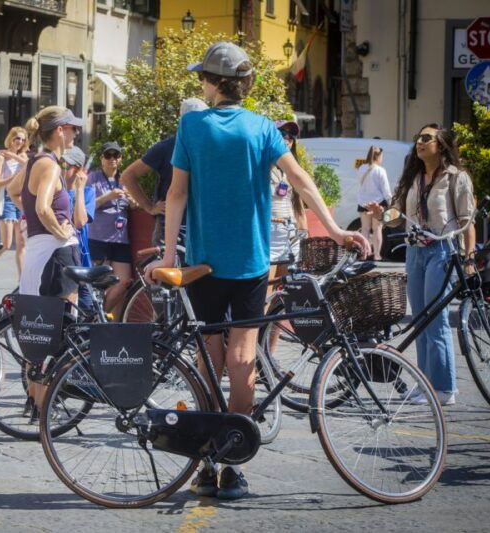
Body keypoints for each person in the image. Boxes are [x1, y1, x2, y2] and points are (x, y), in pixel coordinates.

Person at [144, 41, 370, 500]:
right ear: (243, 85)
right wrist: (335, 229)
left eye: (202, 78)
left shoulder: (192, 126)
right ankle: (231, 462)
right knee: (243, 357)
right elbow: (301, 182)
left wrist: (169, 258)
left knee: (209, 355)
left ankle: (205, 460)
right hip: (251, 260)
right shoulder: (263, 128)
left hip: (203, 262)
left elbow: (177, 196)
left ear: (211, 82)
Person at [389, 124, 475, 406]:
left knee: (435, 320)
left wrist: (470, 257)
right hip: (415, 252)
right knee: (420, 320)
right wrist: (382, 214)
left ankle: (445, 387)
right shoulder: (413, 178)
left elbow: (466, 221)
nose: (420, 142)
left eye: (427, 138)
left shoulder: (455, 178)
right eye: (418, 137)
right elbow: (397, 217)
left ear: (442, 145)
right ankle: (425, 383)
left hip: (441, 250)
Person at [122, 97, 209, 245]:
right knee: (167, 266)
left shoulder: (209, 147)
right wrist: (149, 207)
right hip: (171, 227)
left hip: (201, 225)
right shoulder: (167, 147)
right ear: (184, 121)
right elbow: (128, 176)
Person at [19, 106, 82, 299]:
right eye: (73, 127)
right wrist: (60, 232)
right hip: (57, 251)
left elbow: (13, 191)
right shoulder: (50, 166)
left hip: (37, 251)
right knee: (67, 322)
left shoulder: (35, 161)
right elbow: (43, 208)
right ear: (60, 130)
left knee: (38, 324)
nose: (77, 132)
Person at [87, 142, 134, 317]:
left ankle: (104, 319)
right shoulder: (94, 177)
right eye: (108, 156)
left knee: (123, 283)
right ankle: (95, 319)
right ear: (102, 159)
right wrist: (110, 196)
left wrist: (132, 199)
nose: (112, 159)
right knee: (99, 285)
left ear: (120, 159)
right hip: (99, 237)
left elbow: (134, 205)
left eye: (116, 155)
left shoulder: (125, 179)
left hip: (121, 239)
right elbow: (89, 205)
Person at [268, 120, 308, 275]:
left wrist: (304, 231)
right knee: (268, 284)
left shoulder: (292, 170)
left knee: (287, 284)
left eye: (291, 137)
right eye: (282, 134)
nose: (287, 139)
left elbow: (298, 202)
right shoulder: (262, 165)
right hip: (270, 230)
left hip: (291, 231)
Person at [0, 127, 29, 274]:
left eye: (23, 139)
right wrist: (13, 178)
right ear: (10, 139)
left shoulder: (23, 157)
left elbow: (28, 165)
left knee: (22, 243)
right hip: (6, 200)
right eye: (17, 138)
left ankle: (22, 279)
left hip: (20, 200)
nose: (20, 142)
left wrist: (15, 156)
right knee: (7, 244)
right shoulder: (1, 158)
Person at [62, 146, 96, 312]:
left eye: (66, 167)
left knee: (88, 311)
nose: (62, 171)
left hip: (82, 263)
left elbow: (80, 221)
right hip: (62, 262)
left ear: (78, 170)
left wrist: (80, 189)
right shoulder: (54, 191)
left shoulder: (88, 192)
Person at [356, 145, 391, 261]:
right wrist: (391, 203)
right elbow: (386, 190)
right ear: (378, 156)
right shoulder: (380, 170)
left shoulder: (361, 168)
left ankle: (364, 254)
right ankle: (377, 255)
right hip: (378, 204)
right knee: (377, 229)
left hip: (363, 203)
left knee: (365, 229)